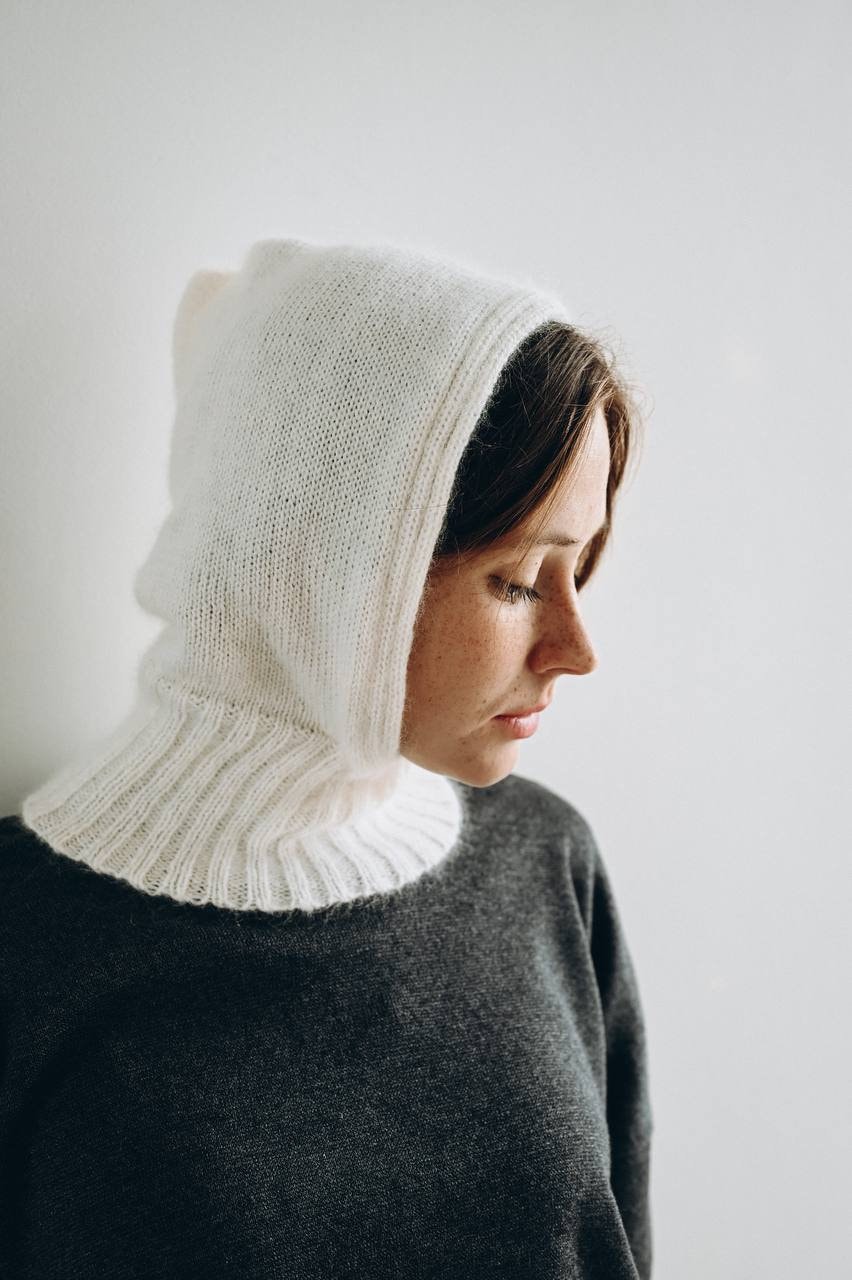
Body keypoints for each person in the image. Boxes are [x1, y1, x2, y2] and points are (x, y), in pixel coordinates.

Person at [0, 235, 653, 1278]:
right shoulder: (25, 942)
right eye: (520, 578)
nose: (576, 648)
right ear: (331, 568)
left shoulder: (545, 861)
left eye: (580, 569)